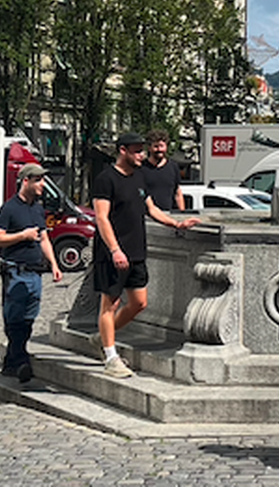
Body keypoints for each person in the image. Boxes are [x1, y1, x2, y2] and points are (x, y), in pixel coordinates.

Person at [91, 132, 200, 378]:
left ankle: (101, 337)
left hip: (136, 250)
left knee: (139, 303)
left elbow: (151, 208)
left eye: (142, 149)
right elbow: (101, 217)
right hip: (113, 252)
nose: (142, 154)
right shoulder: (105, 179)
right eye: (137, 150)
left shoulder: (139, 177)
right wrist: (115, 249)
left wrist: (176, 224)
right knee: (110, 304)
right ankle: (111, 357)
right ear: (122, 151)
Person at [0, 163, 63, 384]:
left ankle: (13, 361)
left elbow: (44, 238)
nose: (42, 185)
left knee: (29, 318)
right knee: (15, 318)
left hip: (35, 273)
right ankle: (20, 361)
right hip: (15, 272)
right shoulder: (10, 208)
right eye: (38, 180)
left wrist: (54, 264)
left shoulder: (37, 208)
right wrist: (21, 235)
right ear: (26, 181)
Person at [141, 130, 185, 212]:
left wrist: (182, 213)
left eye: (162, 146)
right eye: (156, 146)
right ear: (149, 148)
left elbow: (178, 193)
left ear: (166, 147)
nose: (159, 149)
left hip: (168, 215)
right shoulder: (141, 168)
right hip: (147, 217)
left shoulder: (173, 167)